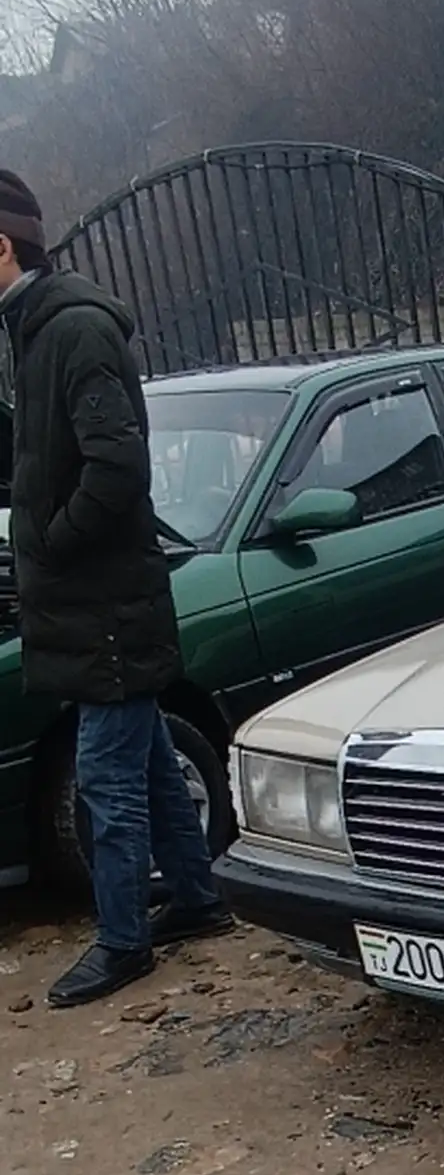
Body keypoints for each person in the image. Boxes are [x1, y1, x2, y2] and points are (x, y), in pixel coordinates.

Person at [0, 170, 231, 1007]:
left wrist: (54, 547)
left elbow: (117, 468)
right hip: (93, 604)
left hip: (104, 607)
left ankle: (123, 940)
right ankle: (200, 901)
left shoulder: (76, 332)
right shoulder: (30, 331)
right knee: (153, 763)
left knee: (107, 778)